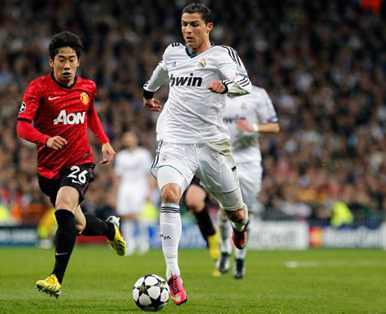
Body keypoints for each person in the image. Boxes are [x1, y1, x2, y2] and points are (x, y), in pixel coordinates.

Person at [143, 3, 252, 305]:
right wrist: (148, 94)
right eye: (184, 24)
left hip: (211, 144)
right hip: (175, 140)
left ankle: (241, 229)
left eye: (194, 25)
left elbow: (245, 84)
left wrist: (225, 86)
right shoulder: (173, 52)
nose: (188, 30)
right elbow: (161, 71)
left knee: (237, 212)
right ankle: (173, 274)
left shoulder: (221, 55)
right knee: (169, 194)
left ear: (209, 27)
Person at [16, 31, 126, 298]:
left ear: (78, 61)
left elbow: (90, 115)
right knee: (76, 225)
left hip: (80, 162)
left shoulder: (87, 87)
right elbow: (21, 127)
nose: (67, 65)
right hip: (48, 170)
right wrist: (45, 139)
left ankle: (56, 278)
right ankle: (109, 229)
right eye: (61, 60)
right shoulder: (38, 88)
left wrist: (104, 141)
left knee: (64, 206)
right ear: (51, 61)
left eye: (72, 59)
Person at [213, 85, 280, 279]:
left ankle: (240, 257)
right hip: (223, 158)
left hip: (249, 161)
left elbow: (274, 126)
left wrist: (254, 128)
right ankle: (225, 251)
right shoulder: (214, 91)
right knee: (224, 210)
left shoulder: (258, 94)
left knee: (245, 212)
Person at [113, 131, 154, 255]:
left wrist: (150, 190)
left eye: (131, 137)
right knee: (126, 215)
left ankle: (143, 241)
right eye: (126, 138)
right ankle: (129, 243)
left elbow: (150, 173)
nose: (128, 140)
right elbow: (117, 175)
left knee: (138, 215)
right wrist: (116, 192)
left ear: (136, 139)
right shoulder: (121, 156)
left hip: (140, 186)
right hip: (125, 187)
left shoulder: (144, 154)